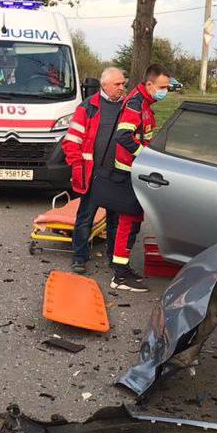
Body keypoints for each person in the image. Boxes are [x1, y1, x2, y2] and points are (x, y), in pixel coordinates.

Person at [100, 64, 171, 292]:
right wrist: (146, 157)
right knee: (127, 222)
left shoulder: (146, 103)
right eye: (162, 87)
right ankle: (119, 275)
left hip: (136, 171)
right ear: (149, 84)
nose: (165, 91)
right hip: (128, 172)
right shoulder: (135, 103)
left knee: (134, 222)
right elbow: (124, 136)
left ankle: (123, 267)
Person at [62, 66, 127, 275]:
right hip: (93, 175)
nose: (121, 88)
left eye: (123, 84)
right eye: (117, 84)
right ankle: (79, 258)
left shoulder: (128, 107)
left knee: (115, 221)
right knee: (85, 218)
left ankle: (114, 259)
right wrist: (77, 166)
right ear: (105, 85)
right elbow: (71, 142)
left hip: (117, 175)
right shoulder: (88, 107)